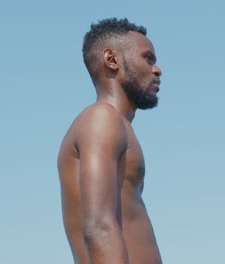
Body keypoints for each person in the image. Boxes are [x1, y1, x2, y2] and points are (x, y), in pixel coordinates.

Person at [57, 18, 163, 264]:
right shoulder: (101, 118)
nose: (157, 69)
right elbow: (99, 226)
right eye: (148, 58)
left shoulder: (117, 125)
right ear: (112, 60)